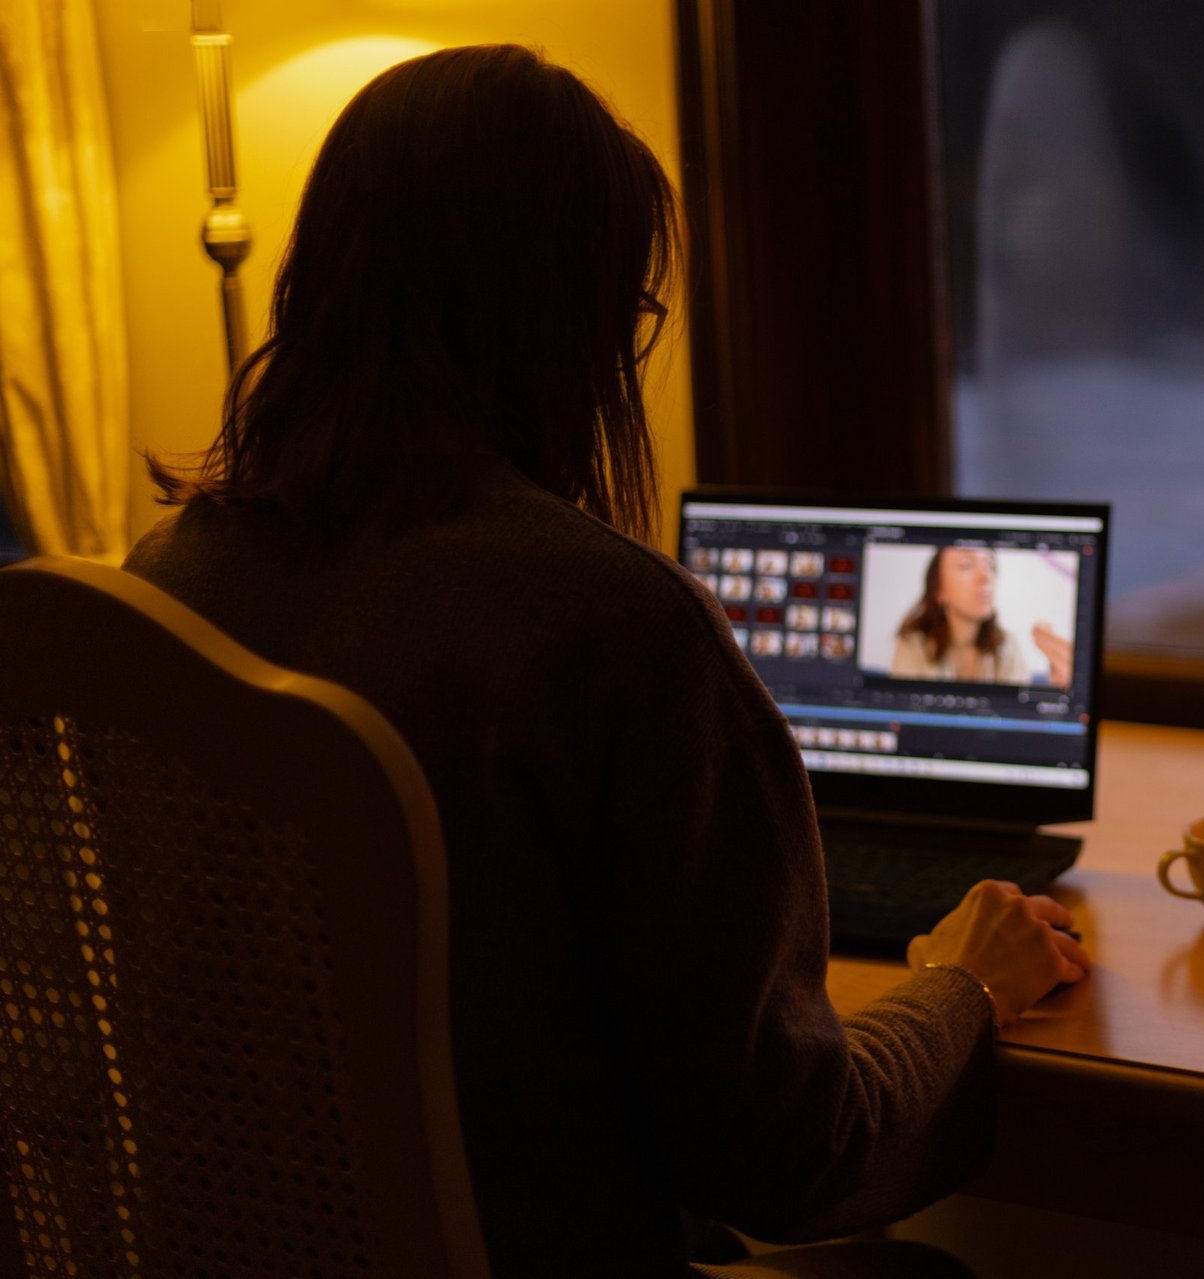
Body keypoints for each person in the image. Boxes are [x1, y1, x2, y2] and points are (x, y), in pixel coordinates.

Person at [122, 46, 1088, 1278]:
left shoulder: (166, 586)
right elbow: (791, 1158)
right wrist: (965, 987)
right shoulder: (609, 631)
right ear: (564, 321)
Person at [891, 546, 1074, 686]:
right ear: (939, 591)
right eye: (966, 565)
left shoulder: (1007, 647)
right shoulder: (911, 646)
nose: (986, 576)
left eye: (990, 565)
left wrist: (1056, 691)